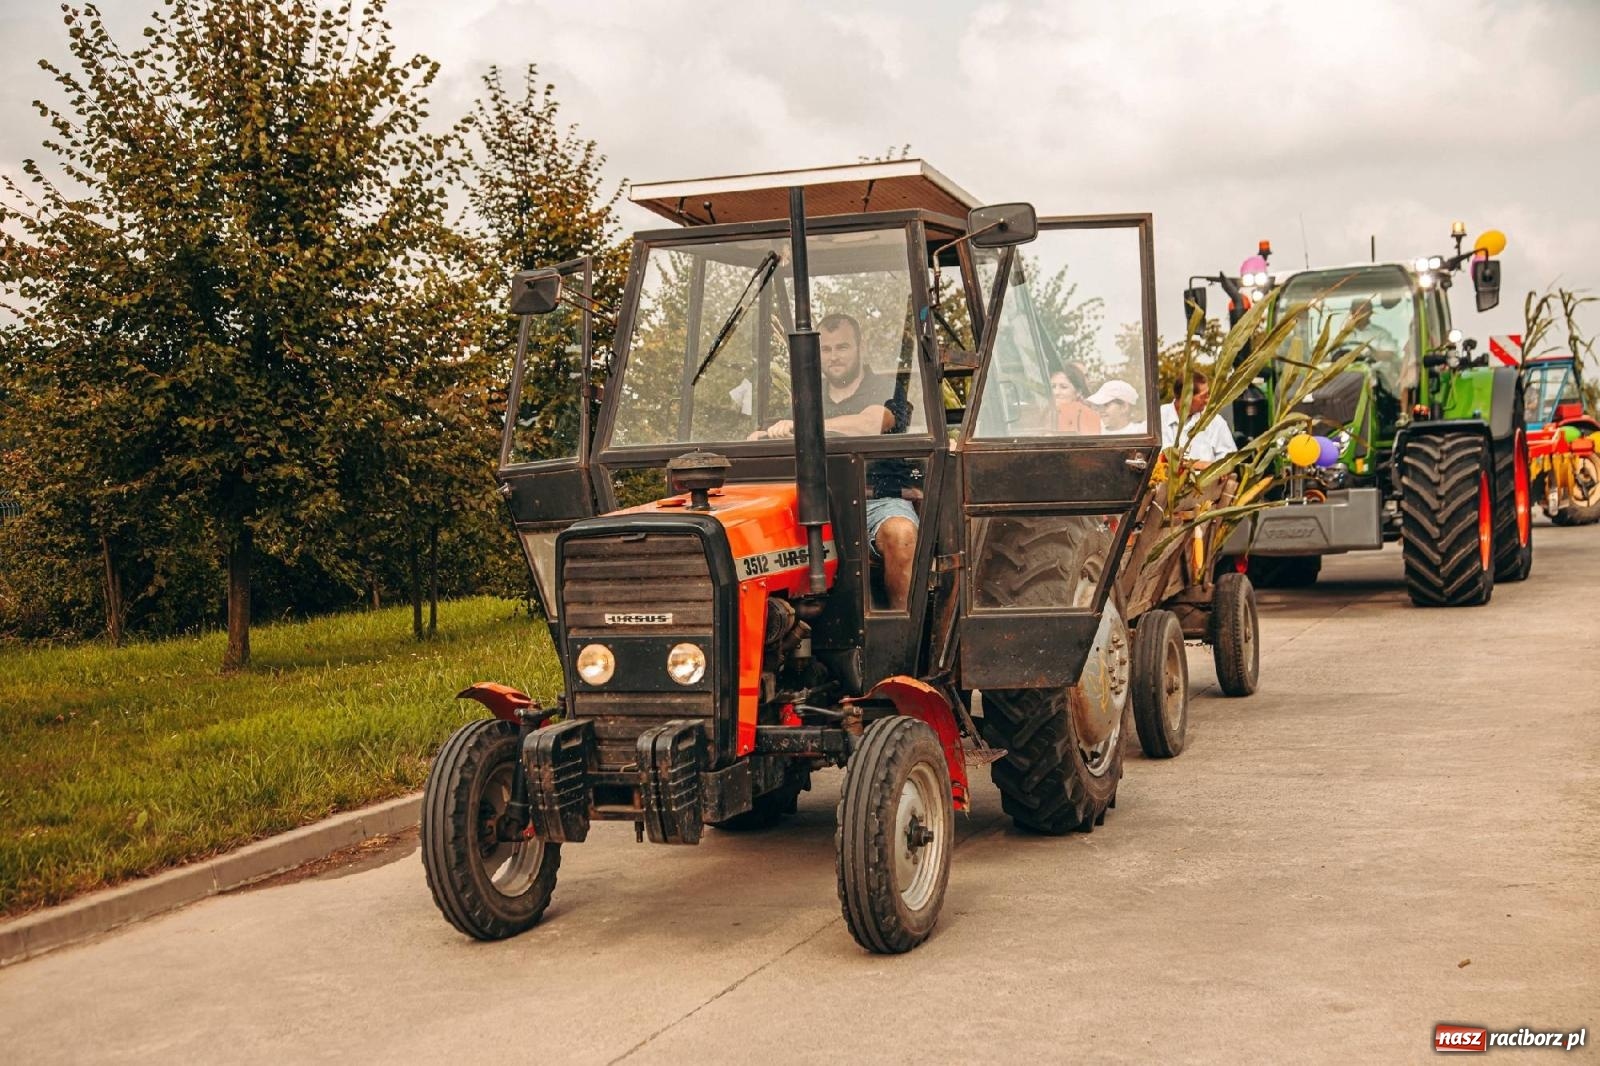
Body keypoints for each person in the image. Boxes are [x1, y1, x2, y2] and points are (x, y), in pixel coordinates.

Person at [752, 313, 919, 609]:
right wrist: (768, 433)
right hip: (811, 501)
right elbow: (760, 434)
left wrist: (803, 425)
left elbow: (871, 423)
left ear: (860, 347)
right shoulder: (803, 394)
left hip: (876, 500)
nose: (834, 357)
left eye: (842, 347)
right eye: (826, 350)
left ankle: (900, 636)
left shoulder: (886, 388)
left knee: (901, 534)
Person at [1160, 369, 1236, 464]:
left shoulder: (1215, 422)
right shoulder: (1157, 420)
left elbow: (1229, 460)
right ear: (1186, 397)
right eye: (1203, 396)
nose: (1207, 400)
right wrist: (1201, 465)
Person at [1052, 365, 1102, 434]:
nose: (1056, 392)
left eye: (1063, 387)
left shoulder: (1088, 416)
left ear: (1078, 392)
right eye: (1053, 386)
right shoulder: (1044, 411)